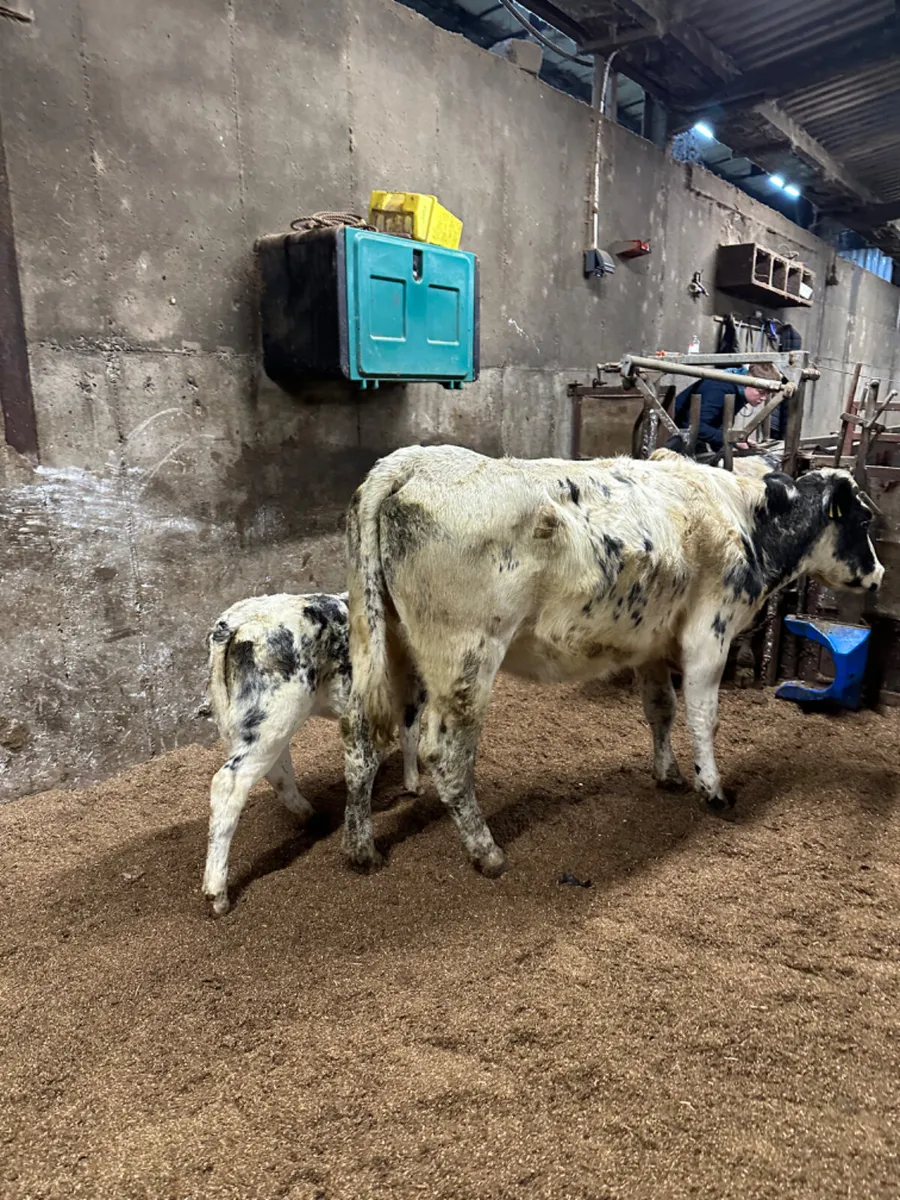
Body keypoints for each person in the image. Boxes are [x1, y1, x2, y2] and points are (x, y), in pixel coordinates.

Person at [665, 361, 783, 455]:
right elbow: (694, 426)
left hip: (693, 438)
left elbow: (718, 425)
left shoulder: (737, 390)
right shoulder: (720, 388)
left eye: (767, 394)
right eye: (761, 391)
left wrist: (736, 441)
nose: (763, 398)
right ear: (748, 381)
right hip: (673, 437)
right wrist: (731, 439)